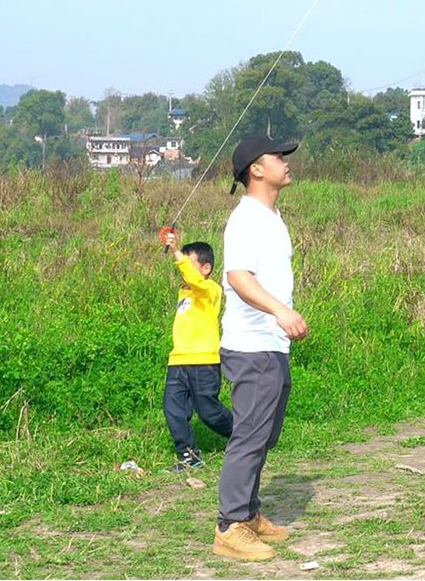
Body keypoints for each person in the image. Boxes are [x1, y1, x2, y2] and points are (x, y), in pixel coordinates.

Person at [213, 134, 305, 563]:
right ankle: (230, 526)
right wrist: (281, 311)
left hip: (270, 345)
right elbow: (238, 277)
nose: (286, 162)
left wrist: (280, 322)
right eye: (278, 156)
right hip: (251, 347)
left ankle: (248, 514)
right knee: (250, 436)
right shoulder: (246, 218)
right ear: (256, 169)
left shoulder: (271, 215)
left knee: (264, 434)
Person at [161, 231, 234, 472]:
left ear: (205, 268)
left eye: (188, 263)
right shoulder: (184, 291)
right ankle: (188, 455)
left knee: (208, 412)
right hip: (178, 360)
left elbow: (194, 279)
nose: (182, 268)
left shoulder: (210, 290)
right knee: (173, 409)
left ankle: (244, 437)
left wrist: (175, 251)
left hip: (204, 361)